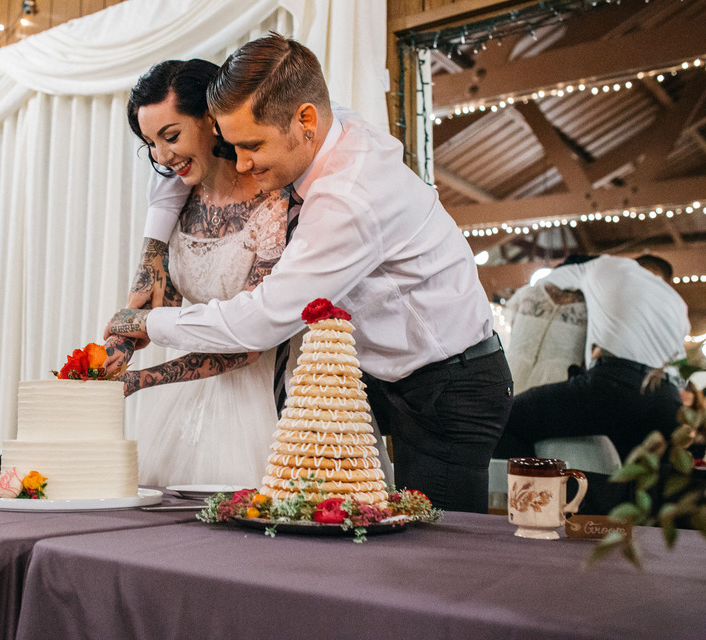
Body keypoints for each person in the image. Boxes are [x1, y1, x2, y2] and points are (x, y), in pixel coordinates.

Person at [106, 33, 513, 513]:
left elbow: (267, 318)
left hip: (449, 384)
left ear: (304, 122)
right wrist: (153, 246)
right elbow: (181, 164)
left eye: (250, 146)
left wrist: (146, 324)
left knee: (436, 554)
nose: (239, 162)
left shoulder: (347, 199)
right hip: (381, 375)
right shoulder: (317, 117)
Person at [104, 59, 288, 488]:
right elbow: (158, 301)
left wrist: (139, 381)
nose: (162, 157)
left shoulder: (275, 204)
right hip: (186, 400)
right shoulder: (177, 200)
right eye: (150, 142)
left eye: (171, 136)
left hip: (264, 395)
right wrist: (113, 354)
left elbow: (250, 345)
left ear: (212, 119)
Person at [494, 254, 690, 462]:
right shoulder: (678, 304)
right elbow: (681, 371)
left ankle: (533, 492)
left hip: (614, 384)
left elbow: (549, 281)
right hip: (667, 398)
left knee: (507, 419)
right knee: (651, 476)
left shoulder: (603, 266)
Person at [503, 254, 594, 394]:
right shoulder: (589, 307)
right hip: (557, 385)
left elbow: (512, 328)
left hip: (511, 374)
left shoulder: (527, 293)